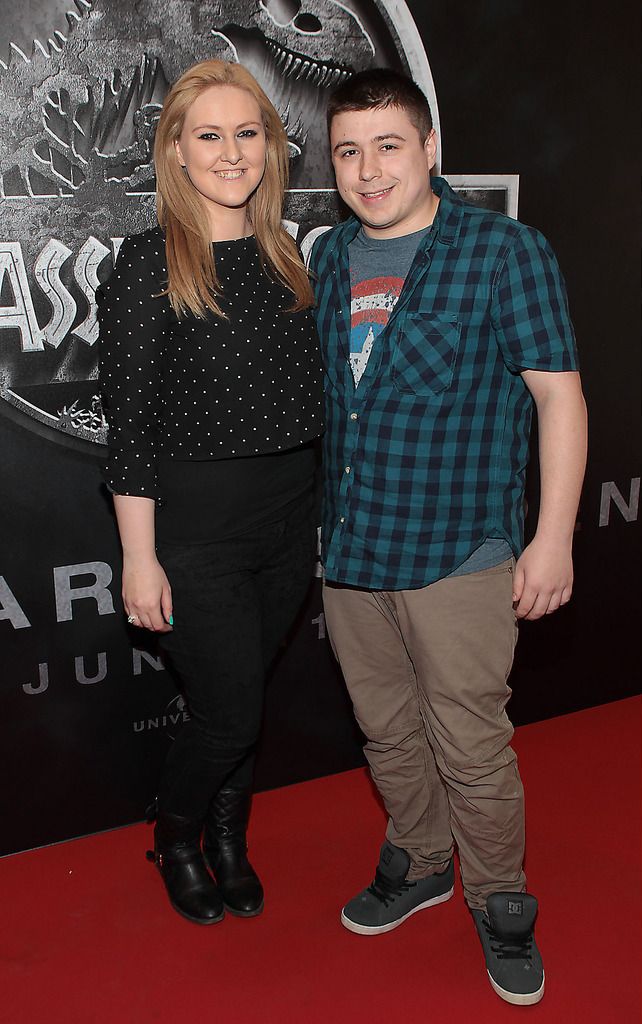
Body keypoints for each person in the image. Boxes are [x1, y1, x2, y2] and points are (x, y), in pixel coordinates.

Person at [309, 68, 587, 1006]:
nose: (368, 168)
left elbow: (559, 397)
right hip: (351, 551)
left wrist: (553, 539)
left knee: (470, 743)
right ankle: (424, 863)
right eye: (348, 151)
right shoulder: (327, 255)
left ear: (430, 148)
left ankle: (504, 906)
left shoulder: (505, 251)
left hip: (458, 548)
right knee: (386, 729)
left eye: (388, 145)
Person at [98, 59, 323, 925]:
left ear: (270, 144)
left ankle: (230, 838)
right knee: (228, 714)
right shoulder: (149, 262)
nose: (231, 152)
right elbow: (132, 428)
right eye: (209, 136)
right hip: (196, 539)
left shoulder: (285, 251)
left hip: (284, 526)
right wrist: (140, 560)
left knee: (245, 702)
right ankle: (178, 837)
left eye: (247, 132)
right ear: (177, 154)